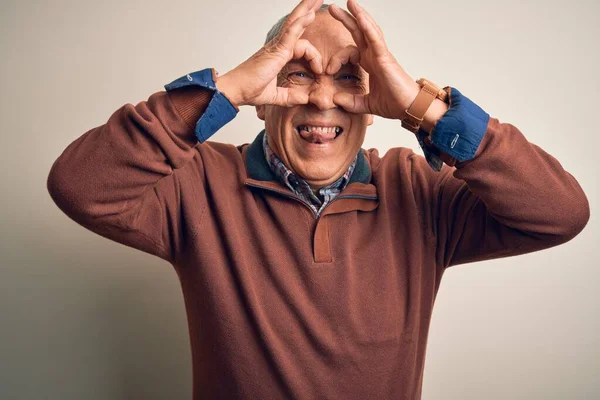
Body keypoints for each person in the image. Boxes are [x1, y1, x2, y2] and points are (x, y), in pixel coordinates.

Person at [46, 0, 590, 398]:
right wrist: (226, 89)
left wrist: (423, 106)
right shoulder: (196, 183)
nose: (323, 99)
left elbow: (560, 214)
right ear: (263, 97)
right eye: (298, 74)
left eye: (350, 79)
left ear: (375, 103)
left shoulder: (419, 192)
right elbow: (79, 185)